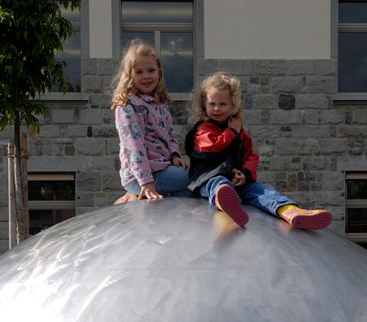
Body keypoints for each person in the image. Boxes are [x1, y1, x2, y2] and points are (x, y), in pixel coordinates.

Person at [185, 72, 332, 230]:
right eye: (212, 104)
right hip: (208, 179)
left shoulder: (238, 131)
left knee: (262, 191)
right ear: (204, 105)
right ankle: (225, 202)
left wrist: (246, 174)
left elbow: (250, 156)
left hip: (237, 182)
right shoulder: (203, 129)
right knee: (218, 184)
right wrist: (232, 132)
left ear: (233, 105)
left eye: (223, 104)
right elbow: (212, 148)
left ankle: (290, 211)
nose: (217, 109)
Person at [111, 40, 189, 203]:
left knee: (189, 196)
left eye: (151, 70)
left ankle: (131, 197)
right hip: (142, 176)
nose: (146, 76)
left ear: (159, 73)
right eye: (139, 72)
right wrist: (146, 182)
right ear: (130, 75)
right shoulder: (129, 106)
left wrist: (174, 154)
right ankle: (134, 191)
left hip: (161, 167)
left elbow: (169, 134)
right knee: (196, 176)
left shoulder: (159, 103)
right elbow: (134, 147)